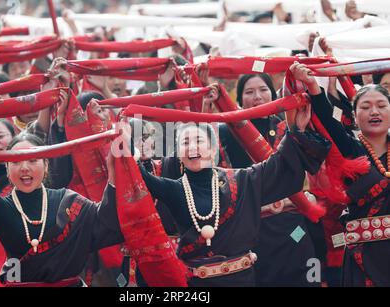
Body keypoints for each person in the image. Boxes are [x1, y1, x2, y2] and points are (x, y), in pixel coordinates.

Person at [128, 104, 331, 286]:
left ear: (213, 147)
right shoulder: (172, 188)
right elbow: (138, 174)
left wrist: (297, 130)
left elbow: (278, 164)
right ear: (178, 153)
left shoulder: (243, 180)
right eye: (185, 142)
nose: (191, 147)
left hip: (241, 280)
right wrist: (126, 138)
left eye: (198, 140)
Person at [0, 133, 123, 286]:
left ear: (45, 166)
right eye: (16, 162)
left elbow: (106, 220)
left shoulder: (69, 202)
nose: (24, 168)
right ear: (7, 168)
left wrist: (114, 172)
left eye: (33, 160)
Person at [290, 62, 390, 287]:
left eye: (381, 105)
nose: (374, 111)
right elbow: (329, 122)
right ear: (354, 117)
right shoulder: (351, 150)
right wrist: (313, 85)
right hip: (363, 258)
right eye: (365, 107)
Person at [219, 73, 321, 287]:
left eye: (263, 90)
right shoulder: (227, 133)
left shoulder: (288, 125)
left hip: (292, 223)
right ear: (238, 99)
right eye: (249, 92)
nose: (257, 96)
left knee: (303, 271)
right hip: (253, 227)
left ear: (273, 93)